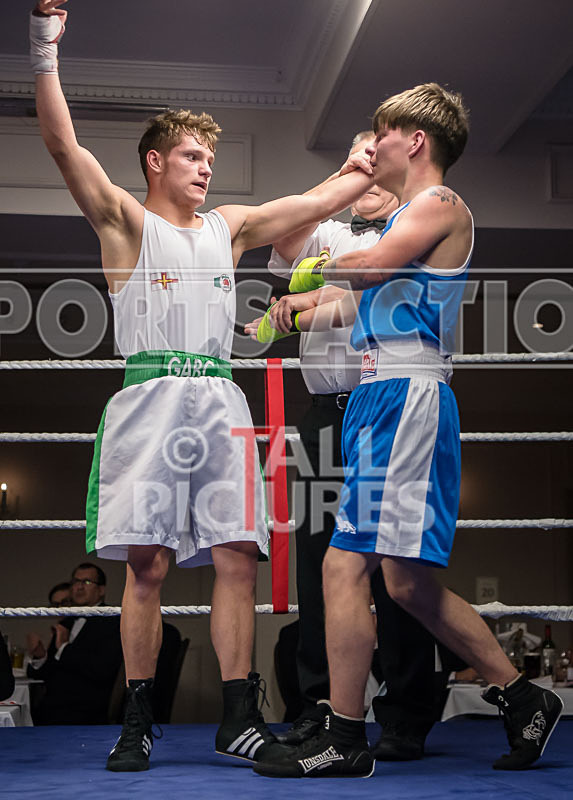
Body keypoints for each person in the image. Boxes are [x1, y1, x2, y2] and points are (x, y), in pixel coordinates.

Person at [29, 0, 374, 772]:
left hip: (218, 398)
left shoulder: (231, 226)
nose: (206, 166)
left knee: (237, 558)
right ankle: (140, 717)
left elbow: (317, 201)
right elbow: (61, 144)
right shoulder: (123, 222)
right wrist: (43, 51)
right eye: (191, 156)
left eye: (209, 157)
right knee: (145, 565)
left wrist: (365, 167)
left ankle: (238, 715)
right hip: (149, 400)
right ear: (156, 162)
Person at [250, 83, 564, 777]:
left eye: (380, 133)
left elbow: (367, 268)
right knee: (407, 587)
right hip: (372, 397)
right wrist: (284, 311)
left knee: (341, 565)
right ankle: (522, 697)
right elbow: (345, 297)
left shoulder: (439, 204)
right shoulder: (401, 226)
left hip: (407, 396)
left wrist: (307, 256)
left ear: (413, 140)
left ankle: (342, 734)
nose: (373, 145)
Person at [266, 132, 446, 760]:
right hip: (325, 415)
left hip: (385, 406)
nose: (371, 174)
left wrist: (303, 304)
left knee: (394, 558)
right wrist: (336, 181)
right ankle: (321, 706)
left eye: (379, 159)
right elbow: (283, 242)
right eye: (360, 161)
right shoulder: (328, 230)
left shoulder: (410, 226)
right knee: (322, 560)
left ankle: (405, 712)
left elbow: (340, 295)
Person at [26, 563, 122, 725]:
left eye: (86, 582)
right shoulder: (68, 620)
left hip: (84, 712)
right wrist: (40, 656)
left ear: (101, 590)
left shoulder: (113, 620)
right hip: (51, 710)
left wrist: (64, 648)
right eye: (75, 582)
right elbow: (44, 675)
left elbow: (102, 670)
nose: (79, 587)